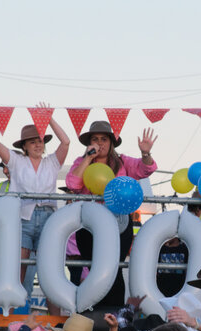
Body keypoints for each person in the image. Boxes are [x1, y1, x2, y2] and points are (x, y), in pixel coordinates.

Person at [0, 100, 70, 313]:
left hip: (48, 218)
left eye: (41, 141)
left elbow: (65, 142)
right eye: (33, 142)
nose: (38, 144)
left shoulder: (52, 162)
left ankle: (54, 323)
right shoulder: (16, 161)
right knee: (16, 269)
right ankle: (9, 319)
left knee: (50, 271)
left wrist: (48, 118)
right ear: (24, 146)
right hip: (23, 218)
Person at [66, 121, 158, 307]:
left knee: (113, 269)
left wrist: (145, 153)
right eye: (95, 139)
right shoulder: (81, 161)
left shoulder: (122, 161)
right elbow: (73, 184)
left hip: (119, 223)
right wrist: (87, 159)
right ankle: (95, 312)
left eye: (104, 139)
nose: (100, 143)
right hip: (89, 225)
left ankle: (115, 315)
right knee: (95, 269)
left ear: (111, 143)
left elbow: (146, 169)